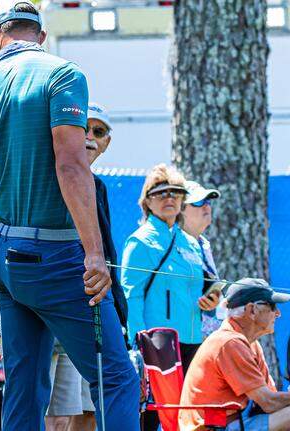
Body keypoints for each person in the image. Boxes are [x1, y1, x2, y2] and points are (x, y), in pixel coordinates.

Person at [0, 1, 140, 429]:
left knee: (24, 386)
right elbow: (72, 166)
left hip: (2, 257)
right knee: (116, 378)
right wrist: (94, 254)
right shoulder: (63, 74)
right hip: (55, 256)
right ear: (38, 35)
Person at [120, 165, 217, 431]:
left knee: (187, 415)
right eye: (161, 193)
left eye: (175, 192)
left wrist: (210, 303)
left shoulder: (190, 242)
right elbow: (131, 296)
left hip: (192, 340)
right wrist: (140, 343)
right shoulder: (139, 242)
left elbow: (200, 291)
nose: (169, 198)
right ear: (147, 202)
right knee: (154, 414)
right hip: (157, 345)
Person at [45, 102, 118, 431]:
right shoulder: (45, 176)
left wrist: (120, 315)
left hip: (86, 311)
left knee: (82, 413)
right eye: (84, 128)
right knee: (46, 414)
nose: (89, 137)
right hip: (44, 310)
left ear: (107, 142)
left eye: (99, 132)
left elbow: (107, 254)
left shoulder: (98, 186)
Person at [179, 278, 290, 431]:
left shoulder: (249, 343)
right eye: (272, 306)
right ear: (251, 310)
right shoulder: (230, 343)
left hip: (235, 420)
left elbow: (271, 399)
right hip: (215, 426)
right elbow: (269, 402)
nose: (278, 313)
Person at [181, 180, 223, 337]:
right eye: (198, 202)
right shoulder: (174, 245)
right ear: (181, 209)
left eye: (208, 201)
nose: (206, 206)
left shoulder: (204, 244)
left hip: (206, 337)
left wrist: (214, 301)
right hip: (186, 338)